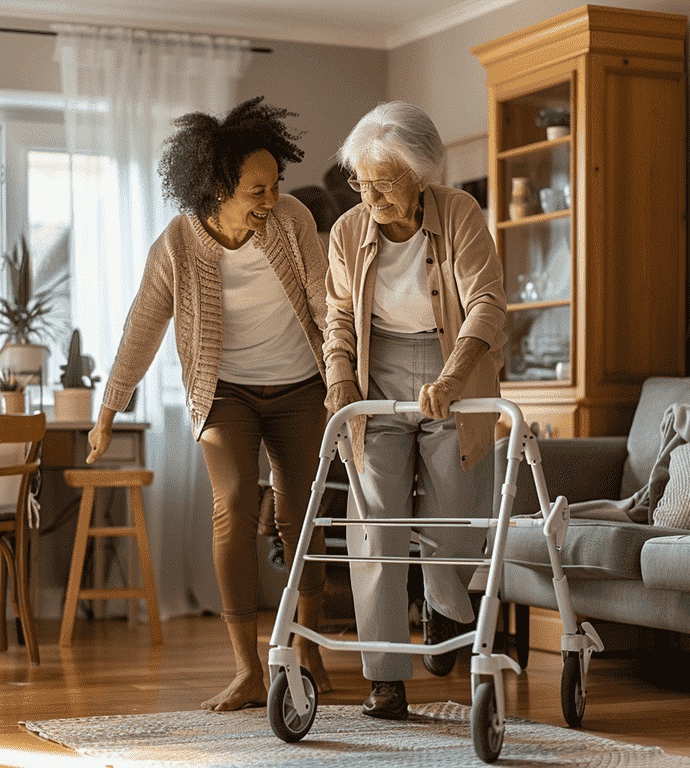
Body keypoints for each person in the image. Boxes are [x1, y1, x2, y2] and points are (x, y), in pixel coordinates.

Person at [86, 96, 332, 711]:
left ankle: (307, 648)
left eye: (275, 183)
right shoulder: (178, 242)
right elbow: (145, 321)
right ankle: (248, 666)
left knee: (302, 515)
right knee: (233, 505)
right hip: (224, 391)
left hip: (301, 384)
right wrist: (110, 407)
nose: (271, 198)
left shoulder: (293, 219)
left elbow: (327, 303)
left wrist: (343, 377)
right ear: (219, 186)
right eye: (257, 189)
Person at [322, 101, 507, 720]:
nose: (368, 193)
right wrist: (342, 383)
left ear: (420, 173)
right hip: (378, 372)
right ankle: (385, 678)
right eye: (361, 181)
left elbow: (484, 301)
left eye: (382, 180)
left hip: (451, 361)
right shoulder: (349, 231)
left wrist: (454, 376)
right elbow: (339, 318)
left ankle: (441, 599)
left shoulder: (459, 214)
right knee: (376, 523)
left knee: (454, 509)